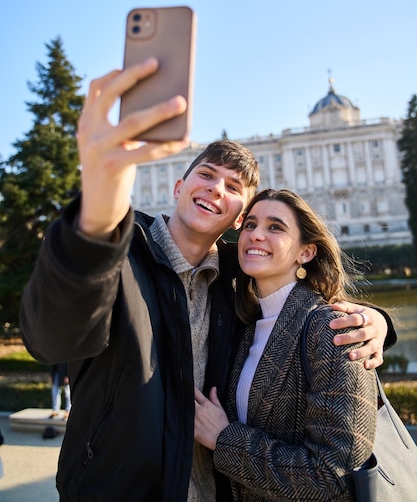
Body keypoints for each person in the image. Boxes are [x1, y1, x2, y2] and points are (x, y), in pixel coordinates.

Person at [19, 60, 395, 502]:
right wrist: (99, 205)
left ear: (239, 217)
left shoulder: (240, 283)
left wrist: (377, 321)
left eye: (234, 185)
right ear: (178, 187)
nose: (217, 188)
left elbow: (301, 303)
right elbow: (53, 338)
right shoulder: (117, 256)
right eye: (206, 175)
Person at [194, 188, 381, 501]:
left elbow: (334, 478)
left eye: (275, 227)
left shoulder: (333, 329)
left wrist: (224, 439)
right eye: (250, 225)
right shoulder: (247, 327)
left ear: (306, 252)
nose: (255, 235)